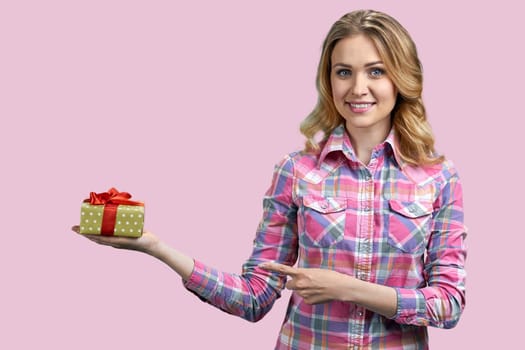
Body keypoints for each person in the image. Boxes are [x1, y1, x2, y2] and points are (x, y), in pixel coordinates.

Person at [73, 9, 467, 349]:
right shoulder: (296, 171)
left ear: (401, 78)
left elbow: (448, 304)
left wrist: (347, 288)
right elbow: (254, 298)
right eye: (343, 72)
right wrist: (156, 248)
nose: (357, 88)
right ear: (329, 81)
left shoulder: (438, 178)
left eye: (376, 71)